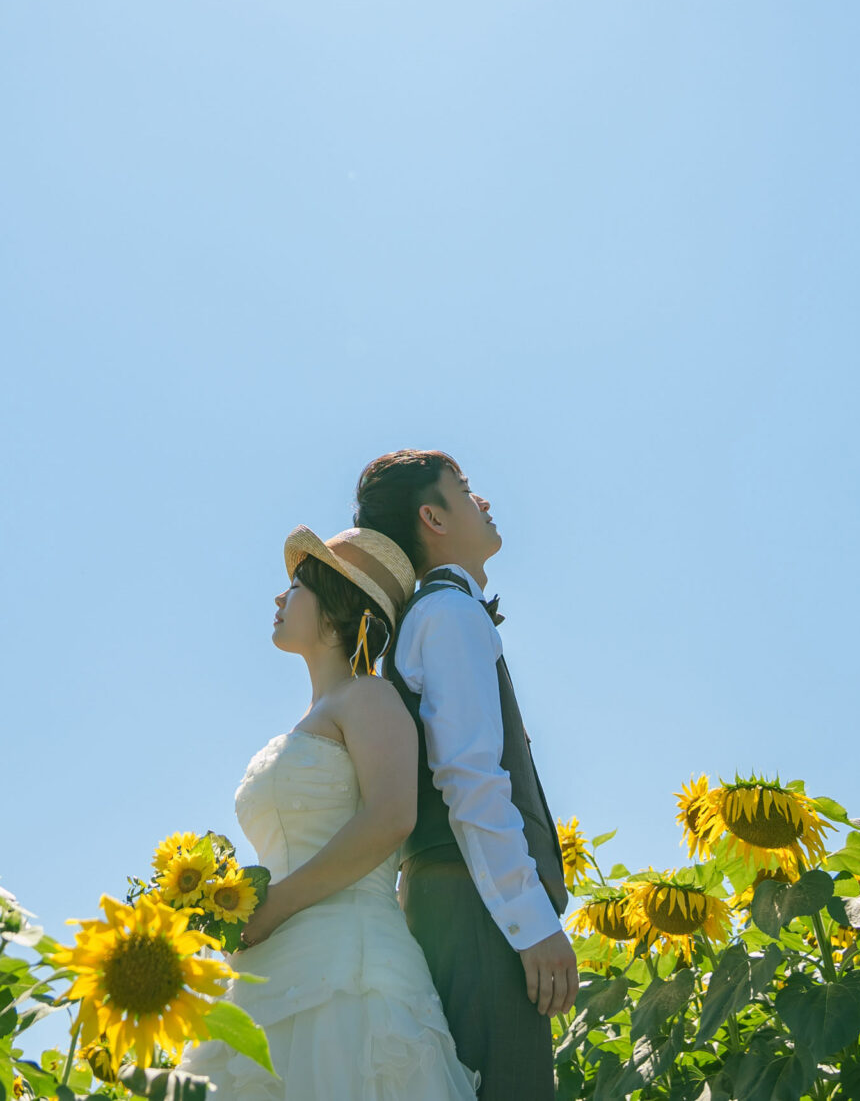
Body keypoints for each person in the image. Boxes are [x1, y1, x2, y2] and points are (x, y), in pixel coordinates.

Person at [179, 526, 478, 1101]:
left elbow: (392, 817)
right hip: (269, 967)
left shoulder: (369, 697)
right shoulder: (314, 717)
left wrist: (273, 908)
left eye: (294, 586)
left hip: (351, 968)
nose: (277, 599)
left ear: (339, 607)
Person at [365, 451, 572, 1101]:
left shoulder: (435, 613)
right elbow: (471, 775)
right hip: (477, 909)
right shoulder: (450, 614)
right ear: (433, 516)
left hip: (456, 901)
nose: (484, 501)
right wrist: (531, 921)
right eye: (466, 489)